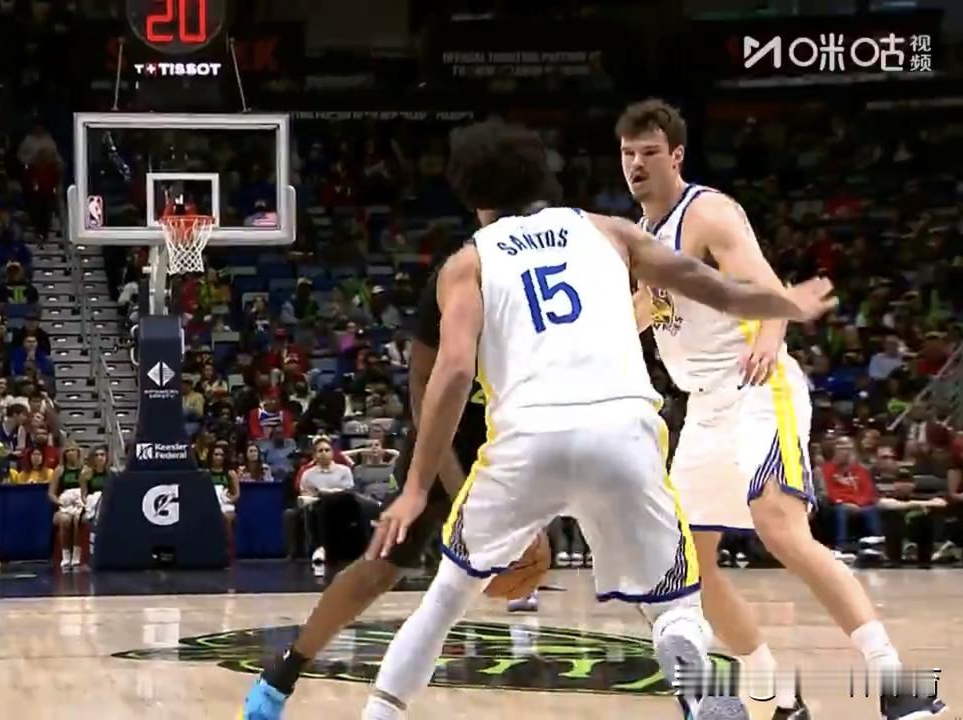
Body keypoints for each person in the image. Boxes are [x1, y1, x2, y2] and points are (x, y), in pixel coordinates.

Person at [357, 119, 837, 720]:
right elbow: (712, 288)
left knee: (444, 600)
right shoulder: (609, 230)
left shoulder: (467, 263)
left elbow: (452, 372)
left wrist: (416, 487)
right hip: (624, 435)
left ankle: (381, 713)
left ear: (471, 194)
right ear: (543, 175)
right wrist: (784, 303)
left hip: (527, 440)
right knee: (673, 605)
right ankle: (692, 672)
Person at [619, 99, 945, 720]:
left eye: (650, 152)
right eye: (628, 153)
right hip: (703, 408)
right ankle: (777, 694)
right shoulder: (641, 238)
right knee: (684, 564)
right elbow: (641, 313)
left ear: (676, 156)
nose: (637, 164)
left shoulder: (708, 211)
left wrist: (770, 336)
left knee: (779, 525)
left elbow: (765, 286)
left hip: (757, 388)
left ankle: (899, 683)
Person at [244, 253, 550, 719]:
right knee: (379, 570)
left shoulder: (541, 276)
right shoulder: (456, 277)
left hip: (510, 443)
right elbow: (424, 394)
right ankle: (282, 673)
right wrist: (458, 493)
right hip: (442, 441)